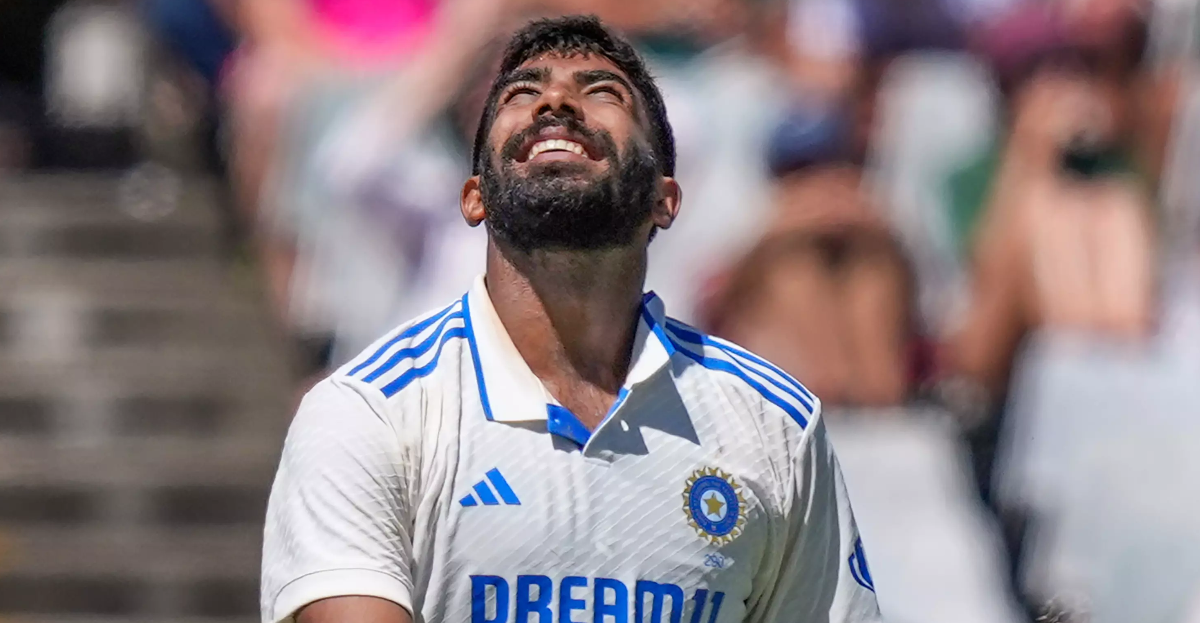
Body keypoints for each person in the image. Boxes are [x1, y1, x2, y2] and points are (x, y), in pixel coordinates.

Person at [260, 15, 881, 623]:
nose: (555, 102)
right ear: (473, 197)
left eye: (603, 93)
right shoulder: (368, 412)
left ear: (664, 199)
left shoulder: (775, 423)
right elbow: (351, 165)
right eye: (520, 93)